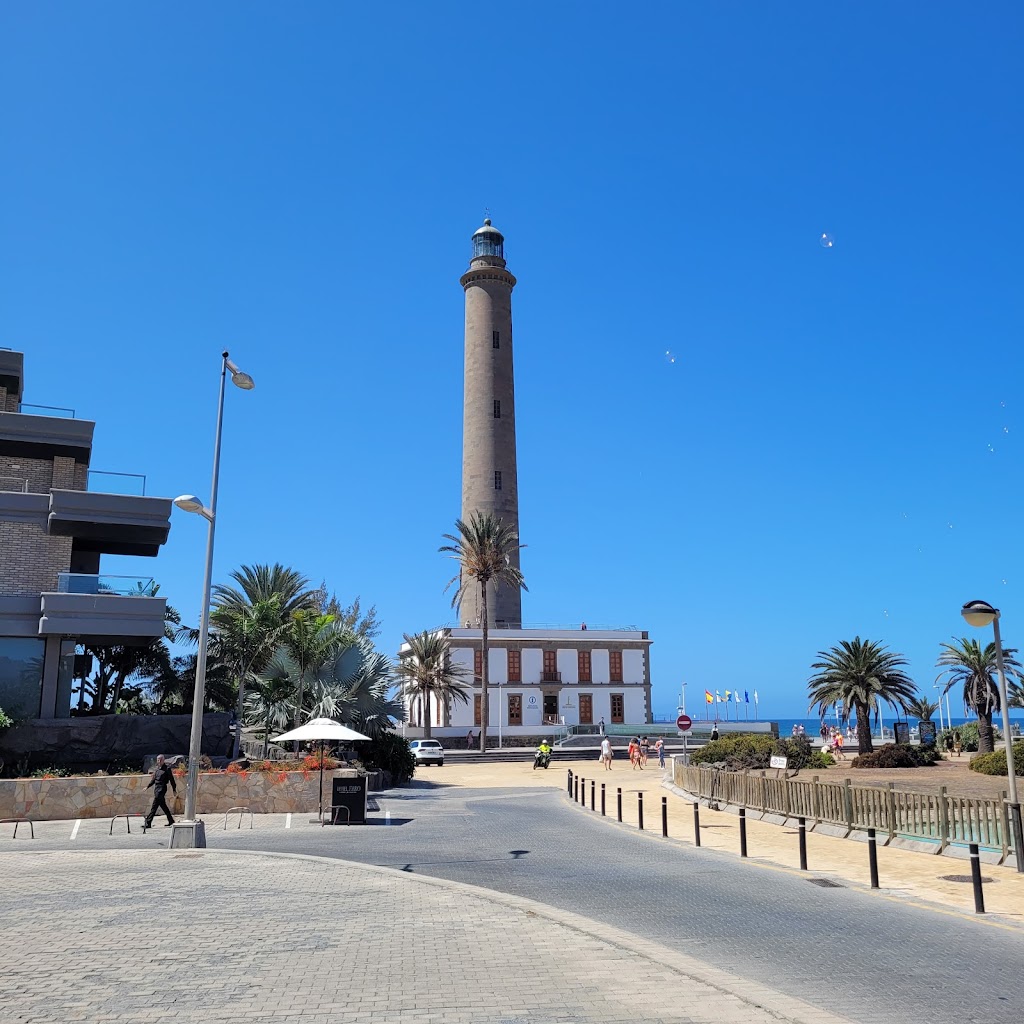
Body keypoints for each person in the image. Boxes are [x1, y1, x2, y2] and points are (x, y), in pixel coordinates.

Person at [143, 754, 176, 830]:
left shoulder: (167, 769)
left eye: (160, 759)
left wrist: (174, 789)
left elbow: (172, 780)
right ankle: (171, 820)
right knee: (163, 806)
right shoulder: (157, 769)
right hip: (156, 788)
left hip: (162, 789)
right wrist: (147, 786)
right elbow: (154, 780)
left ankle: (148, 822)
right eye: (158, 760)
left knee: (154, 806)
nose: (159, 761)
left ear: (163, 760)